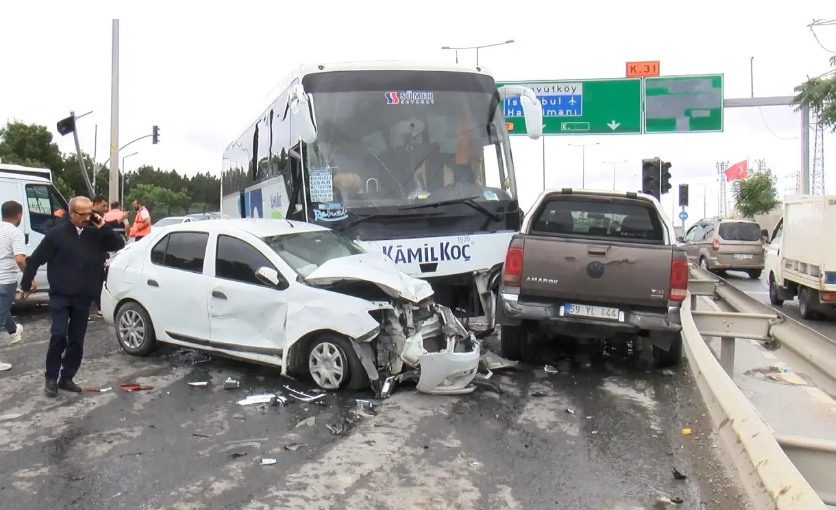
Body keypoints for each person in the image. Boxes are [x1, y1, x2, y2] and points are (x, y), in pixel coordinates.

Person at [19, 196, 125, 397]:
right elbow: (35, 260)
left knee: (76, 340)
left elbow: (118, 244)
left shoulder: (95, 233)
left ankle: (66, 377)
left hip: (84, 296)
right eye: (82, 214)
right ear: (72, 213)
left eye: (90, 213)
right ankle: (51, 377)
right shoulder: (56, 235)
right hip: (61, 295)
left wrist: (103, 225)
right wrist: (26, 284)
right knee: (59, 335)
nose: (87, 218)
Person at [0, 201, 25, 371]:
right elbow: (19, 259)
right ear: (18, 215)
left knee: (2, 310)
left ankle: (14, 331)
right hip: (6, 280)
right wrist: (28, 277)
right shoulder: (15, 233)